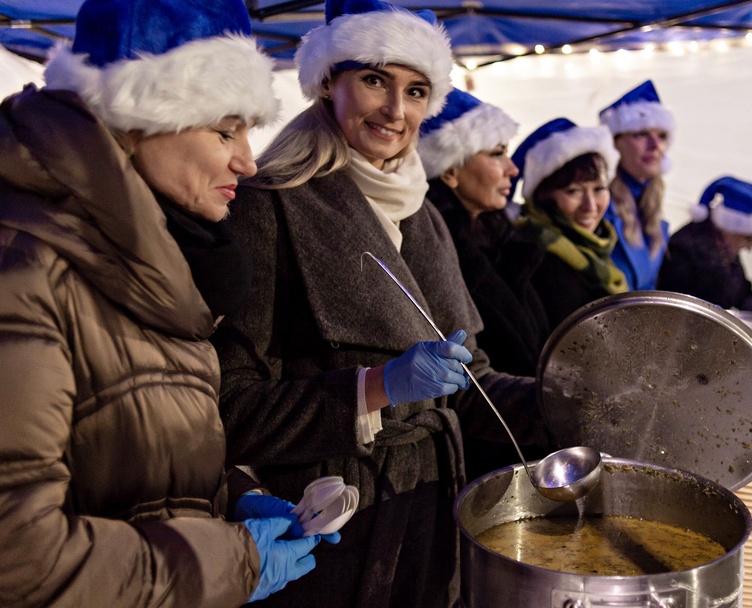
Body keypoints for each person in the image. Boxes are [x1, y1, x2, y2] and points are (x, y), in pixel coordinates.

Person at [211, 1, 553, 606]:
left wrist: (571, 403)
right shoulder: (270, 204)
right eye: (374, 80)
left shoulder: (423, 213)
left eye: (416, 90)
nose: (397, 111)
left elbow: (467, 386)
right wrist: (374, 387)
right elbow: (229, 410)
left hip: (428, 529)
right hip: (331, 544)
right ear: (327, 84)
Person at [0, 1, 339, 606]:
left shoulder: (160, 258)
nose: (248, 161)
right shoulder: (26, 271)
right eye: (223, 131)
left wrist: (227, 493)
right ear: (138, 118)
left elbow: (119, 448)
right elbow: (16, 555)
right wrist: (227, 562)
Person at [417, 87, 551, 479]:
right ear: (450, 169)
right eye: (496, 154)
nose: (513, 169)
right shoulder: (439, 251)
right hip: (480, 459)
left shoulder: (499, 240)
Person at [512, 118, 628, 330]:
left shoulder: (595, 245)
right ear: (544, 195)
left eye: (599, 188)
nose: (590, 206)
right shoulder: (534, 257)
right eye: (573, 191)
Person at [657, 176, 752, 312]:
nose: (749, 248)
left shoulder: (724, 247)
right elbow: (674, 308)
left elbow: (742, 293)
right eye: (748, 239)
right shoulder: (685, 252)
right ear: (730, 228)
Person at [599, 80, 673, 291]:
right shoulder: (596, 209)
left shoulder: (653, 213)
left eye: (662, 136)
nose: (655, 146)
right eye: (640, 134)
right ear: (614, 143)